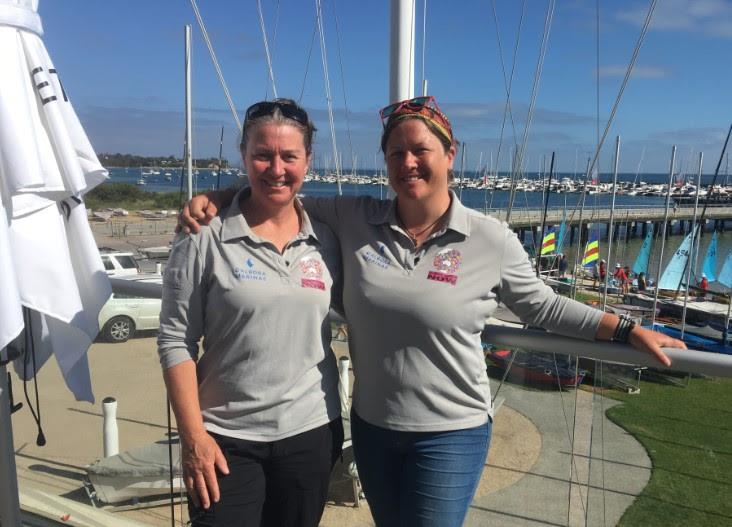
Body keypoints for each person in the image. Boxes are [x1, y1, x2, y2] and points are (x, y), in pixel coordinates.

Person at [179, 95, 685, 527]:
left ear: (450, 154)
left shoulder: (490, 237)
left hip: (451, 432)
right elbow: (277, 191)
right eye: (396, 153)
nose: (409, 163)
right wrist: (218, 197)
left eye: (421, 150)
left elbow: (542, 305)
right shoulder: (354, 217)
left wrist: (626, 329)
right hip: (374, 429)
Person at [158, 99, 343, 527]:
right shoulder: (204, 235)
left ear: (307, 161)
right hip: (225, 439)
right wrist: (193, 438)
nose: (276, 168)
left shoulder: (326, 237)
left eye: (289, 156)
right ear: (243, 155)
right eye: (263, 154)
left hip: (311, 432)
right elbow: (174, 340)